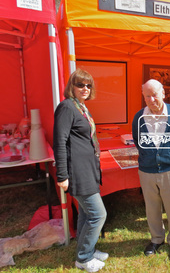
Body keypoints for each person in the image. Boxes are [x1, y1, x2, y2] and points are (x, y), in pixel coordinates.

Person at [53, 69, 108, 272]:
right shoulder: (67, 107)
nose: (85, 89)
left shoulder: (81, 107)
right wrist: (62, 175)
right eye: (80, 85)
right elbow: (59, 142)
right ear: (71, 86)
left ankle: (88, 250)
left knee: (86, 214)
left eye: (88, 85)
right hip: (78, 171)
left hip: (88, 169)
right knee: (97, 214)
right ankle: (84, 258)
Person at [132, 79, 170, 261]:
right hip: (147, 171)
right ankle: (156, 239)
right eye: (147, 96)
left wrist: (169, 154)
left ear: (163, 93)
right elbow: (138, 141)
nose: (151, 99)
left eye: (155, 94)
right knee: (152, 208)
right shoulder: (138, 117)